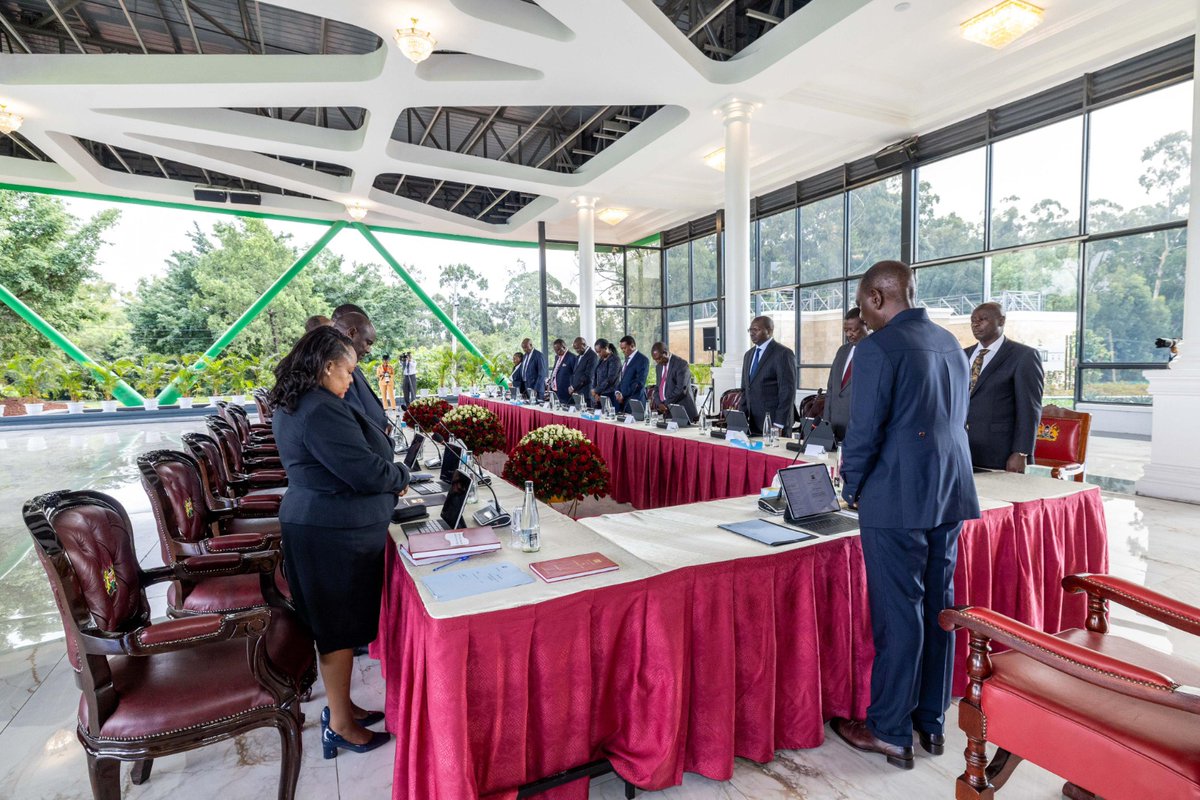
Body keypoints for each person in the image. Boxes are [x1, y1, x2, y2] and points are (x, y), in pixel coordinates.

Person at [832, 260, 980, 771]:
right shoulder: (950, 343)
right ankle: (931, 722)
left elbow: (865, 430)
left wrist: (849, 487)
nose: (862, 317)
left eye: (861, 304)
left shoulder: (875, 348)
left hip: (896, 495)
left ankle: (889, 730)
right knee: (939, 607)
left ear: (876, 297)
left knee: (899, 614)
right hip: (949, 491)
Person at [268, 326, 410, 758]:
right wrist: (401, 477)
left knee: (337, 629)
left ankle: (342, 706)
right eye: (348, 371)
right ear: (327, 366)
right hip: (329, 531)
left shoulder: (302, 401)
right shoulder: (320, 409)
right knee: (336, 630)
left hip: (321, 523)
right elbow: (364, 471)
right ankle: (342, 727)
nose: (351, 379)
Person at [964, 302, 1045, 472]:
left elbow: (1029, 408)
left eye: (982, 319)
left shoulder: (1023, 356)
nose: (976, 324)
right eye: (972, 320)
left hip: (998, 452)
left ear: (1001, 321)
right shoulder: (962, 354)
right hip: (961, 449)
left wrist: (1021, 452)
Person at [738, 316, 796, 436]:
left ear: (769, 331)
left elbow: (787, 391)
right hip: (752, 423)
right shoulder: (748, 355)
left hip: (774, 423)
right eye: (750, 330)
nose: (752, 333)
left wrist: (779, 424)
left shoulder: (783, 353)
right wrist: (741, 419)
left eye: (756, 329)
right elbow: (745, 389)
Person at [332, 311, 389, 434]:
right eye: (367, 342)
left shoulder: (354, 368)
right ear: (351, 333)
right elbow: (354, 420)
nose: (368, 350)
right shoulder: (338, 373)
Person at [825, 308, 869, 441]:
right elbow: (831, 389)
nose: (849, 334)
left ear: (866, 324)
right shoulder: (842, 351)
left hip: (858, 429)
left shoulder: (875, 353)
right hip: (835, 427)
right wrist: (826, 423)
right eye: (846, 330)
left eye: (853, 330)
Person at [650, 342, 699, 421]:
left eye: (659, 358)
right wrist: (659, 403)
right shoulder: (659, 366)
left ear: (665, 353)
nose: (657, 362)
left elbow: (681, 390)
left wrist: (665, 404)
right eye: (655, 360)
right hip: (667, 412)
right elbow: (657, 387)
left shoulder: (681, 364)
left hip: (682, 412)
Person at [614, 335, 649, 413]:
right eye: (621, 349)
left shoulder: (642, 360)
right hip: (623, 401)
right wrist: (617, 392)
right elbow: (622, 380)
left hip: (635, 400)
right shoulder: (627, 359)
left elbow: (639, 383)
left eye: (624, 348)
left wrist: (623, 393)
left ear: (632, 346)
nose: (623, 351)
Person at [567, 336, 597, 405]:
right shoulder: (578, 356)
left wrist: (574, 387)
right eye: (575, 349)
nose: (576, 351)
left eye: (577, 348)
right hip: (577, 392)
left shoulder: (592, 356)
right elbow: (574, 373)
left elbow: (588, 376)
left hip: (586, 394)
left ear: (584, 344)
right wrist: (571, 386)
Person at [547, 338, 577, 405]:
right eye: (555, 350)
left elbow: (575, 375)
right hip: (554, 390)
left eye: (558, 350)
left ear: (564, 347)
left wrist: (573, 387)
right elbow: (555, 370)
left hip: (565, 391)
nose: (557, 352)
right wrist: (550, 382)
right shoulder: (557, 357)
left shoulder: (572, 357)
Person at [591, 339, 619, 409]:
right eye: (597, 352)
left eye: (600, 351)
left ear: (606, 348)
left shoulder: (614, 360)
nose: (598, 354)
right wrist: (595, 392)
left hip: (610, 394)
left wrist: (596, 390)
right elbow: (595, 375)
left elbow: (610, 379)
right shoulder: (601, 359)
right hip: (599, 394)